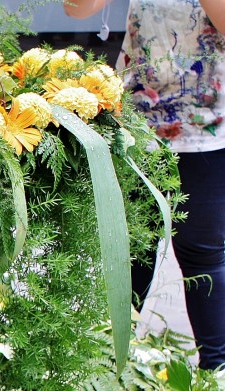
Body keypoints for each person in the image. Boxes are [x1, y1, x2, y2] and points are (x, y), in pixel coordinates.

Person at [65, 0, 225, 369]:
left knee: (201, 255)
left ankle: (214, 375)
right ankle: (110, 367)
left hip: (203, 133)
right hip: (136, 130)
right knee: (129, 249)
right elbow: (76, 9)